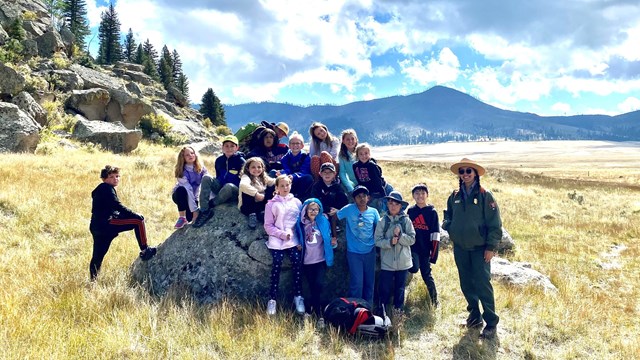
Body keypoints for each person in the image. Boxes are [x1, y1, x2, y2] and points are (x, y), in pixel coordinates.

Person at [442, 158, 502, 339]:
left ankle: (491, 322)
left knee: (483, 284)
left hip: (480, 248)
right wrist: (449, 226)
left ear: (475, 173)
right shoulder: (454, 196)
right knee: (466, 283)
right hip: (460, 248)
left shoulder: (485, 195)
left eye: (469, 171)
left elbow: (495, 224)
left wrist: (491, 247)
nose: (465, 174)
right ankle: (474, 316)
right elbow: (448, 215)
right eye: (462, 171)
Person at [89, 165, 156, 280]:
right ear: (104, 179)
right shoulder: (106, 187)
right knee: (138, 221)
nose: (115, 179)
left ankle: (93, 280)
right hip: (106, 225)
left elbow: (109, 208)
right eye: (111, 177)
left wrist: (122, 214)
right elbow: (116, 205)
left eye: (117, 176)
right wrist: (133, 214)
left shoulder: (100, 189)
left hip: (96, 226)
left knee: (98, 255)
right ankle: (145, 250)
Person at [263, 175, 305, 316]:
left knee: (296, 263)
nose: (285, 188)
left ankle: (298, 296)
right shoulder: (271, 204)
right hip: (276, 240)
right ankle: (272, 299)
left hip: (293, 241)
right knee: (277, 264)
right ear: (276, 188)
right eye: (282, 185)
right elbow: (268, 226)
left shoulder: (297, 202)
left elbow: (300, 224)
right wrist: (281, 234)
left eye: (287, 185)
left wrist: (299, 241)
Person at [295, 198, 337, 327]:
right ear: (305, 210)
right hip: (307, 261)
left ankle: (315, 314)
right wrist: (298, 245)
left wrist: (333, 243)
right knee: (312, 287)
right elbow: (296, 236)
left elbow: (328, 236)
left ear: (319, 210)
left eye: (316, 209)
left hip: (320, 260)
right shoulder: (301, 223)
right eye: (310, 209)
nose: (313, 211)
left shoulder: (323, 221)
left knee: (318, 285)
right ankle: (315, 313)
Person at [336, 185, 380, 305]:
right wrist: (334, 235)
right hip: (354, 252)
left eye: (364, 196)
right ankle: (355, 309)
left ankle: (368, 310)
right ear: (354, 199)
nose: (361, 199)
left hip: (370, 251)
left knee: (369, 282)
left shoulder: (373, 212)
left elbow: (378, 228)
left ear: (368, 198)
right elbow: (335, 216)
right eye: (358, 196)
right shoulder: (349, 209)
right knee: (357, 282)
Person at [375, 191, 415, 316]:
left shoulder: (406, 221)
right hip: (387, 262)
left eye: (396, 204)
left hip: (403, 262)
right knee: (384, 289)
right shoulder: (383, 221)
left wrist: (401, 236)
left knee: (400, 289)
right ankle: (382, 312)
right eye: (390, 203)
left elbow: (412, 239)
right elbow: (377, 241)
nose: (393, 206)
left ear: (400, 206)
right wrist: (390, 242)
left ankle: (398, 314)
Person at [193, 135, 246, 228]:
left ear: (237, 147)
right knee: (206, 177)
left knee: (229, 186)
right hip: (221, 188)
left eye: (232, 146)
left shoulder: (241, 161)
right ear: (222, 147)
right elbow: (218, 177)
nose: (229, 148)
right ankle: (204, 210)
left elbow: (246, 180)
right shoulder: (219, 160)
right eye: (226, 146)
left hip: (235, 192)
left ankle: (212, 203)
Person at [407, 183, 441, 307]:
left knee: (426, 274)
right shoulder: (411, 211)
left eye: (422, 193)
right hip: (413, 248)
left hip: (426, 249)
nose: (420, 196)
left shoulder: (432, 212)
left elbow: (435, 233)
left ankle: (434, 300)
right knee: (414, 268)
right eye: (417, 193)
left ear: (427, 195)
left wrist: (434, 253)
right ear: (413, 196)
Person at [310, 162, 349, 239]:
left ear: (334, 174)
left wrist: (338, 209)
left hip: (334, 211)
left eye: (330, 172)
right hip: (322, 210)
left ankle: (334, 233)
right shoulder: (317, 186)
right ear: (320, 174)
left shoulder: (337, 186)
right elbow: (314, 200)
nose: (327, 174)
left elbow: (344, 200)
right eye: (325, 172)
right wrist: (327, 209)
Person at [171, 146, 206, 229]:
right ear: (183, 158)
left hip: (194, 197)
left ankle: (187, 218)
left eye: (192, 153)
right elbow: (188, 189)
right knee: (181, 190)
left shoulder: (201, 168)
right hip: (181, 196)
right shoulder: (182, 171)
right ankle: (182, 217)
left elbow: (207, 183)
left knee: (191, 219)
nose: (190, 155)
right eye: (187, 155)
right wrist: (195, 210)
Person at [239, 157, 276, 229]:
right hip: (247, 206)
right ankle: (252, 214)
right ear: (247, 168)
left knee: (273, 186)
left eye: (259, 167)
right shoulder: (246, 177)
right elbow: (243, 185)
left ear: (262, 168)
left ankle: (264, 212)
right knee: (246, 192)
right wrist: (256, 194)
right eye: (253, 167)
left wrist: (283, 179)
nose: (256, 169)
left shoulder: (263, 177)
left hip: (260, 203)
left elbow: (273, 181)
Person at [352, 143, 389, 212]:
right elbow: (359, 180)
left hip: (376, 190)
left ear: (369, 154)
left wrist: (383, 194)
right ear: (357, 155)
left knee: (377, 208)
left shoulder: (372, 165)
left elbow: (378, 181)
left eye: (366, 153)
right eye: (361, 154)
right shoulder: (355, 166)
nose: (364, 156)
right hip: (365, 190)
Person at [278, 131, 313, 200]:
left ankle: (301, 198)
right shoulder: (285, 158)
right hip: (288, 181)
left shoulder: (306, 157)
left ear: (302, 145)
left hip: (300, 180)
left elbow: (305, 171)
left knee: (308, 177)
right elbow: (286, 169)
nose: (295, 145)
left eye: (297, 143)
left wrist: (294, 176)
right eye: (292, 143)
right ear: (289, 145)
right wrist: (283, 173)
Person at [338, 128, 359, 193]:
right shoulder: (342, 155)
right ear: (343, 141)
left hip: (364, 180)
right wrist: (349, 186)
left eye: (352, 139)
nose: (350, 141)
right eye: (347, 139)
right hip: (352, 182)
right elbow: (342, 172)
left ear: (356, 140)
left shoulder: (361, 151)